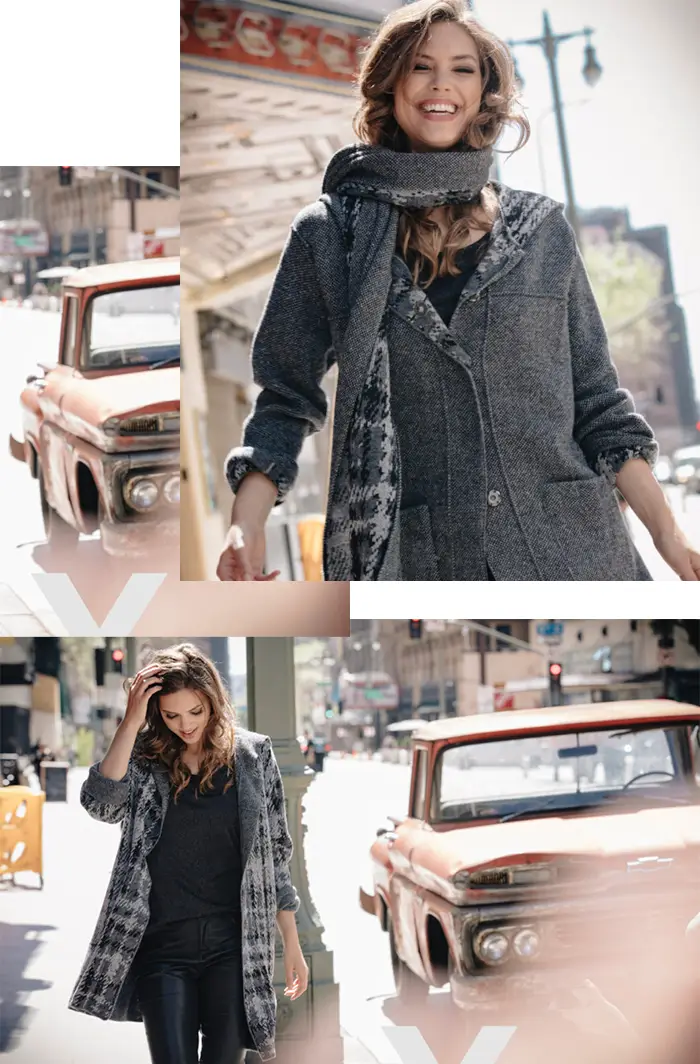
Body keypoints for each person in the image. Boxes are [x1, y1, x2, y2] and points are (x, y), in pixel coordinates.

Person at [217, 0, 700, 583]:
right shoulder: (331, 233)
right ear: (391, 84)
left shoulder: (540, 231)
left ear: (482, 92)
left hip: (577, 556)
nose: (441, 84)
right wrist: (244, 528)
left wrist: (669, 536)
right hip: (423, 564)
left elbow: (600, 409)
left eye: (462, 69)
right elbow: (284, 401)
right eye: (421, 66)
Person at [68, 643, 309, 1064]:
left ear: (212, 701)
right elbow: (100, 806)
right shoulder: (144, 758)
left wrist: (292, 943)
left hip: (233, 950)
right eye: (171, 715)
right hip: (162, 948)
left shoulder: (253, 756)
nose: (185, 725)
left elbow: (274, 855)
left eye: (195, 712)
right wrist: (130, 723)